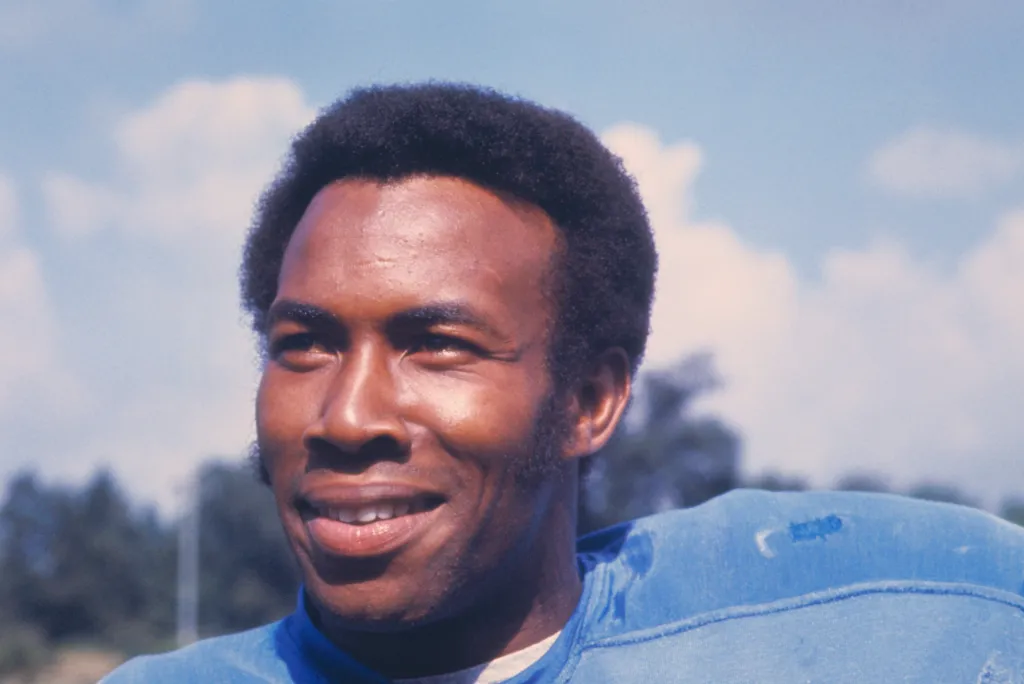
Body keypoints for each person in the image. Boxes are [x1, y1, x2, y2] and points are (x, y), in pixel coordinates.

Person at [102, 83, 1024, 684]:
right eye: (303, 344)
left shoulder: (896, 616)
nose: (348, 417)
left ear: (590, 401)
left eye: (437, 345)